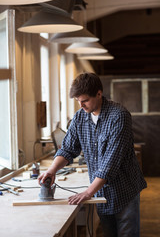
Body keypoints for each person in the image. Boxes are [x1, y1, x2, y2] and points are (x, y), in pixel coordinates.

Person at [38, 72, 147, 237]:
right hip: (101, 191)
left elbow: (110, 163)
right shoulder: (80, 117)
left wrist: (88, 192)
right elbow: (68, 148)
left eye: (85, 100)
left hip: (125, 190)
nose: (81, 106)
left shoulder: (119, 116)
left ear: (99, 93)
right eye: (78, 101)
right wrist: (52, 170)